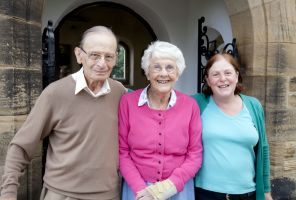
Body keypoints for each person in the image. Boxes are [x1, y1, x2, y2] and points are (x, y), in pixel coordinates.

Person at [0, 26, 126, 200]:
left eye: (109, 56)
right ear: (79, 55)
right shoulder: (55, 93)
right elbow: (21, 146)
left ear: (116, 58)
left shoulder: (120, 93)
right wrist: (8, 193)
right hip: (62, 195)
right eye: (94, 55)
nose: (102, 63)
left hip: (108, 195)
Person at [118, 41, 202, 200]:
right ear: (147, 72)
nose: (163, 73)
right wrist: (141, 191)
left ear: (177, 73)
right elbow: (122, 152)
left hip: (178, 190)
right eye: (156, 67)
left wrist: (169, 187)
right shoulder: (127, 102)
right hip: (138, 191)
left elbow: (195, 154)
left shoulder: (190, 106)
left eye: (170, 67)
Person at [192, 53, 273, 200]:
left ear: (236, 76)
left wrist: (266, 191)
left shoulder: (253, 105)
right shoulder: (196, 103)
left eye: (228, 73)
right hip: (206, 193)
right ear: (208, 80)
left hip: (248, 193)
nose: (223, 79)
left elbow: (264, 149)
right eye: (215, 74)